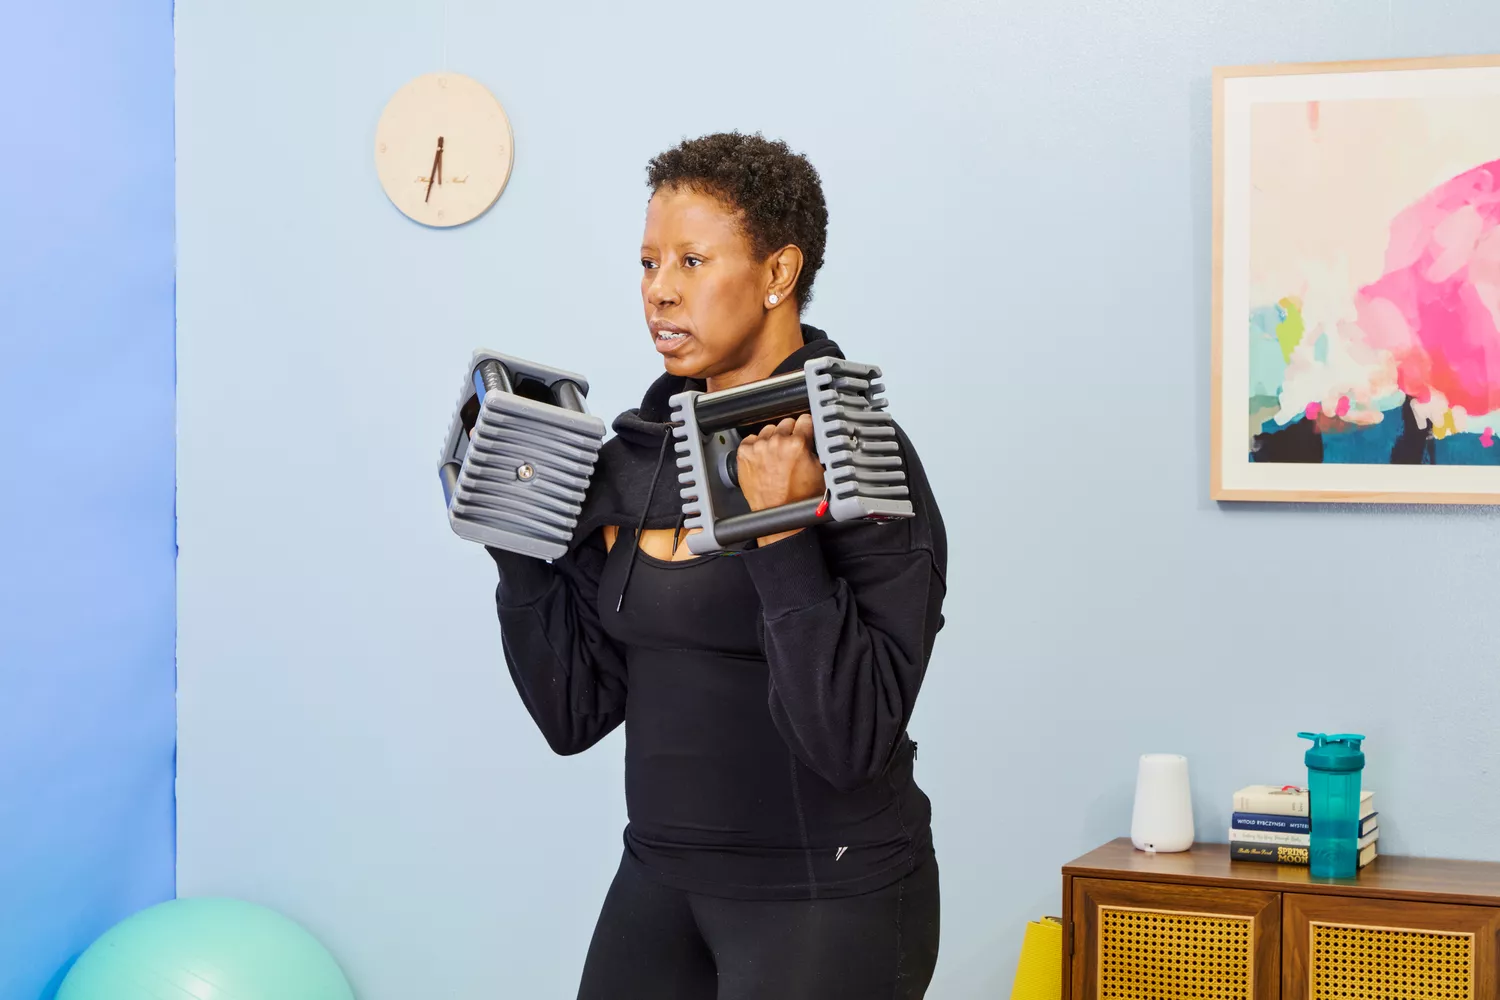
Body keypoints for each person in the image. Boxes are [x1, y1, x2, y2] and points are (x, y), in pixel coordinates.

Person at [486, 132, 948, 1000]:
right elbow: (575, 712)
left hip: (827, 894)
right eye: (650, 262)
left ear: (778, 273)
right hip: (660, 880)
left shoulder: (859, 455)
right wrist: (522, 540)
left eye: (692, 261)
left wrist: (780, 533)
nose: (659, 290)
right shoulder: (634, 457)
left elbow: (851, 740)